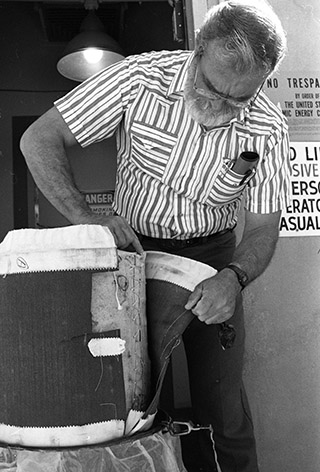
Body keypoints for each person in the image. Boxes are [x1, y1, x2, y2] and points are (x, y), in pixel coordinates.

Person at [20, 1, 291, 470]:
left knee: (223, 410)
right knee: (130, 406)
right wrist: (90, 219)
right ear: (197, 48)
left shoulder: (268, 127)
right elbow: (38, 140)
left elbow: (265, 226)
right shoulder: (137, 78)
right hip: (134, 254)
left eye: (238, 99)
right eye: (210, 87)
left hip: (215, 260)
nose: (220, 107)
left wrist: (235, 277)